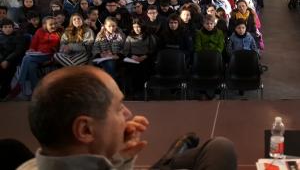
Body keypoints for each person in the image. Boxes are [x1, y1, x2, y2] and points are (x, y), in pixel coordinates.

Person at [17, 65, 237, 170]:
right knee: (221, 148)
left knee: (219, 147)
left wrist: (118, 156)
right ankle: (171, 156)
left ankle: (173, 155)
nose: (128, 113)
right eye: (118, 107)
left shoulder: (29, 166)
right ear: (85, 130)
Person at [122, 18, 157, 98]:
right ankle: (135, 91)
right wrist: (132, 56)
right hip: (133, 57)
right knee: (132, 68)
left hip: (146, 57)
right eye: (134, 27)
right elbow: (125, 50)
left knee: (144, 67)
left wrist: (145, 56)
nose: (136, 29)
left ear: (142, 26)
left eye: (138, 27)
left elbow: (153, 49)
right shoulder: (130, 37)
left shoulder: (149, 36)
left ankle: (144, 90)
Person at [0, 18, 26, 98]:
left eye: (9, 27)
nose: (8, 29)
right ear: (1, 29)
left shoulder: (18, 36)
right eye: (5, 27)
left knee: (7, 73)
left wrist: (7, 60)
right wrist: (2, 61)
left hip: (13, 60)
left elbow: (18, 51)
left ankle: (4, 93)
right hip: (2, 60)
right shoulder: (0, 37)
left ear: (13, 27)